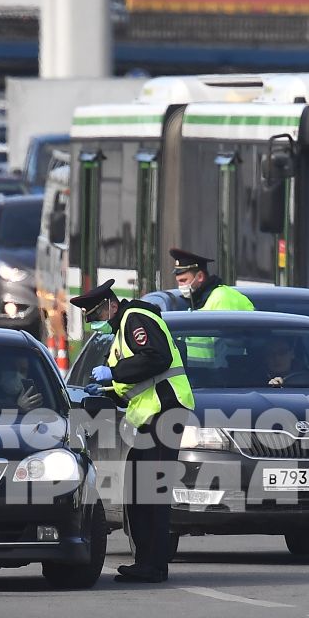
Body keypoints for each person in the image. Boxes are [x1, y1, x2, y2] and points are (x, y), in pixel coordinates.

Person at [74, 281, 194, 584]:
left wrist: (113, 373)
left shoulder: (136, 318)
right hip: (149, 416)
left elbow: (157, 358)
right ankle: (145, 562)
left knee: (152, 492)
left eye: (96, 315)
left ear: (110, 306)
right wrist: (107, 389)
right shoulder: (120, 334)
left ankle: (155, 566)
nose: (95, 323)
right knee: (138, 492)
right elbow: (136, 382)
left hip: (165, 411)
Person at [172, 249, 253, 312]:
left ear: (200, 276)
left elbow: (223, 332)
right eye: (178, 281)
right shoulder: (198, 301)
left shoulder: (221, 298)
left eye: (183, 280)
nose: (180, 286)